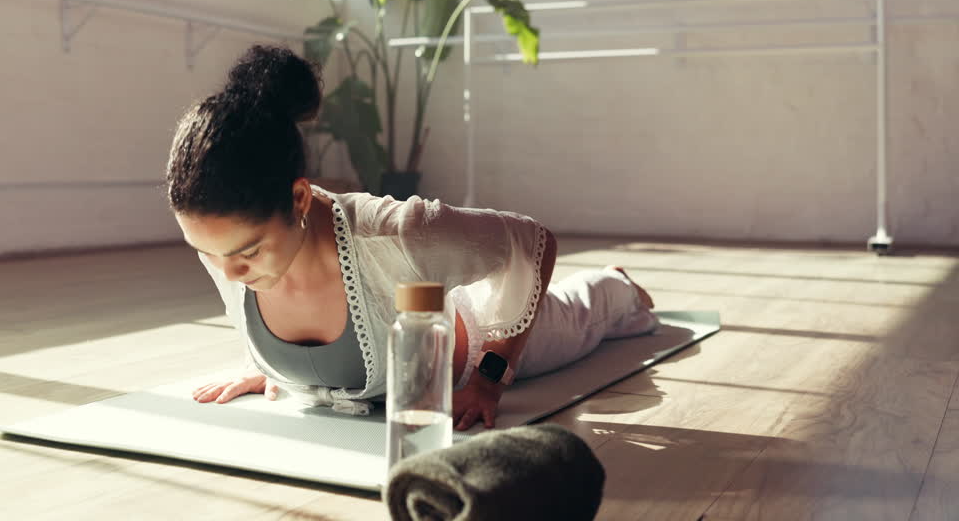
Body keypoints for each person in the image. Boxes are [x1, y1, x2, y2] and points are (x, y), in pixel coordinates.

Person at [168, 45, 658, 431]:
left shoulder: (397, 232)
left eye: (247, 252)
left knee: (579, 313)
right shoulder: (226, 248)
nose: (227, 271)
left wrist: (490, 379)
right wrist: (281, 368)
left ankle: (617, 283)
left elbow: (531, 245)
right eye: (205, 252)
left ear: (299, 199)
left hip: (481, 346)